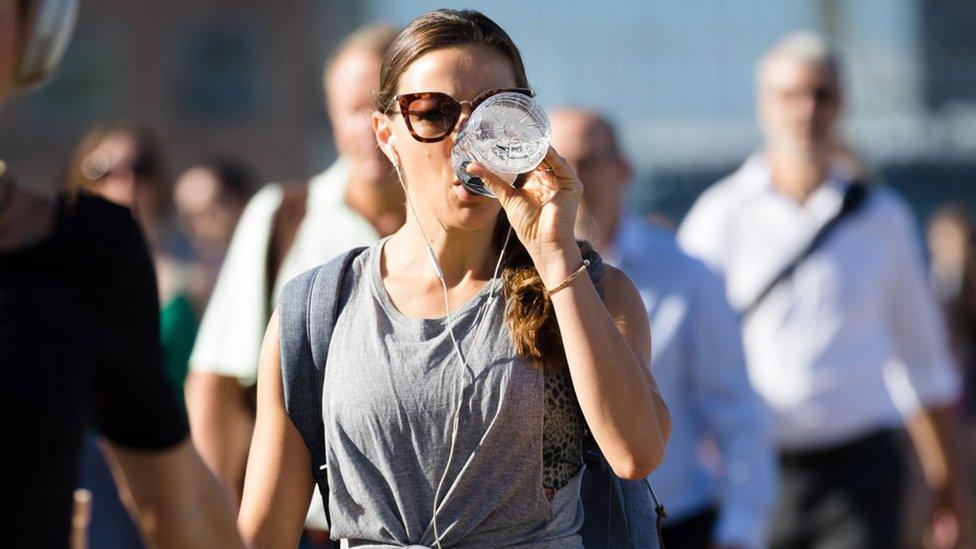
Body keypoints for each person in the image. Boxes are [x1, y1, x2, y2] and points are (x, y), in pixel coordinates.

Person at [237, 9, 670, 548]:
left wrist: (554, 253)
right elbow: (261, 535)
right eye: (433, 112)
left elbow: (635, 452)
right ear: (386, 134)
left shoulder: (591, 290)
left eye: (495, 113)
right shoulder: (316, 310)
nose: (466, 136)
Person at [678, 31, 974, 548]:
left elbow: (924, 362)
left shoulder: (884, 218)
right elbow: (681, 354)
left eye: (822, 95)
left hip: (861, 473)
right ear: (764, 107)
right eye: (790, 95)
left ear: (842, 105)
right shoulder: (718, 218)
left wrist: (950, 483)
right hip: (751, 471)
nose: (807, 110)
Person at [0, 1, 243, 547]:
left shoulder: (98, 254)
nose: (127, 183)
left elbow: (176, 488)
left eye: (141, 169)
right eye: (106, 171)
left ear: (36, 32)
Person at [183, 26, 405, 531]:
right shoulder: (284, 218)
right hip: (305, 530)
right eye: (355, 108)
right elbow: (216, 379)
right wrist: (218, 523)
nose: (373, 125)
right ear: (330, 117)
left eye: (391, 104)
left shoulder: (467, 232)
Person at [551, 108, 777, 549]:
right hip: (553, 531)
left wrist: (740, 531)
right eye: (558, 163)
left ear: (623, 170)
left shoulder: (685, 274)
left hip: (672, 523)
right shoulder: (511, 276)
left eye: (586, 162)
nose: (572, 178)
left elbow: (736, 411)